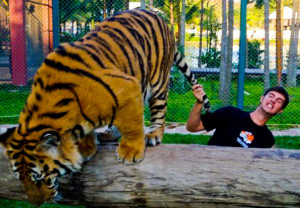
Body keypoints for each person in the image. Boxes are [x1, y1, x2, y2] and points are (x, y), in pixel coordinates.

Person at [186, 85, 289, 148]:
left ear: (280, 110)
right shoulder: (230, 113)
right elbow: (192, 127)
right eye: (271, 96)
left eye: (279, 100)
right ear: (262, 99)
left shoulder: (267, 139)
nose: (273, 100)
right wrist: (199, 102)